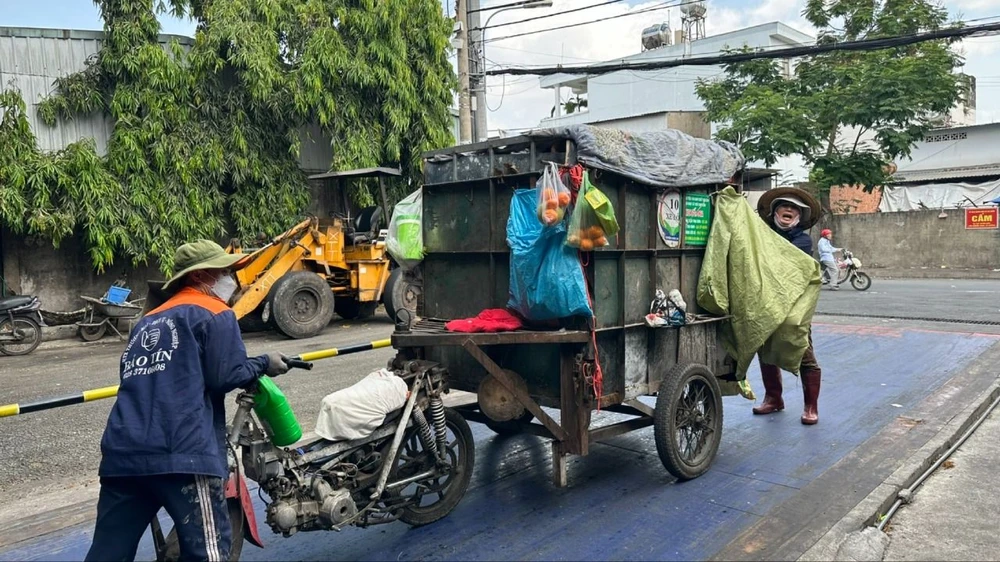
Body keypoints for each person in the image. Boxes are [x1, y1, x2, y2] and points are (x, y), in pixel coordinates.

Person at [85, 240, 291, 562]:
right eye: (225, 271)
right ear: (201, 276)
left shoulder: (145, 322)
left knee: (107, 553)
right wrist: (264, 362)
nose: (231, 278)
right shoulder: (215, 313)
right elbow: (227, 375)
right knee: (207, 554)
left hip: (123, 454)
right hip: (184, 453)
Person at [754, 188, 823, 425]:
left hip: (794, 304)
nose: (789, 210)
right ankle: (773, 398)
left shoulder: (802, 240)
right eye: (784, 206)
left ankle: (810, 406)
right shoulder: (761, 234)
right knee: (766, 350)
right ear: (775, 211)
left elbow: (789, 269)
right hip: (766, 302)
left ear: (799, 217)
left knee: (802, 349)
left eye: (794, 208)